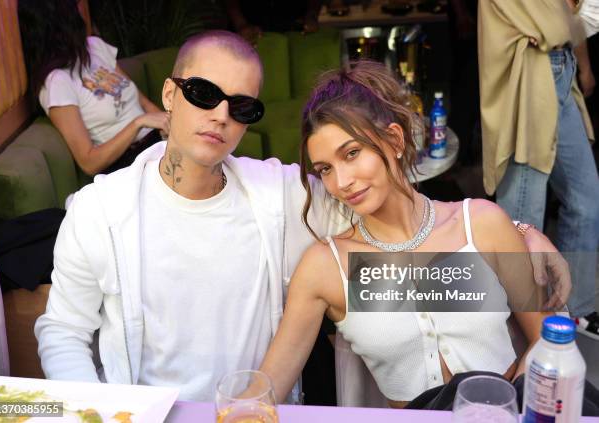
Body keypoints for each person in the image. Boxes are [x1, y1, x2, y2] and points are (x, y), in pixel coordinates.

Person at [35, 30, 569, 402]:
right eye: (203, 94)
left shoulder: (282, 195)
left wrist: (515, 241)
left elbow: (391, 222)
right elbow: (62, 332)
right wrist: (97, 412)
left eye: (242, 106)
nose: (221, 114)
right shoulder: (99, 211)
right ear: (169, 95)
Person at [254, 60, 550, 407]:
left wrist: (507, 406)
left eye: (352, 153)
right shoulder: (325, 267)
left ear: (394, 139)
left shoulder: (481, 225)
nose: (341, 182)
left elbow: (548, 336)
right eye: (325, 170)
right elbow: (266, 389)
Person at [478, 0, 599, 340]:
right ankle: (513, 336)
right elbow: (561, 24)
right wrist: (573, 19)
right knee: (520, 221)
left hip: (562, 67)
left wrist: (581, 57)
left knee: (587, 199)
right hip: (528, 79)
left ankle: (573, 315)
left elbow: (564, 22)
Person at [18, 0, 170, 176]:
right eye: (75, 8)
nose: (81, 11)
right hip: (128, 163)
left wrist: (170, 129)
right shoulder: (56, 82)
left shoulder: (94, 47)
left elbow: (143, 102)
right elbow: (89, 163)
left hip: (156, 143)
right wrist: (139, 123)